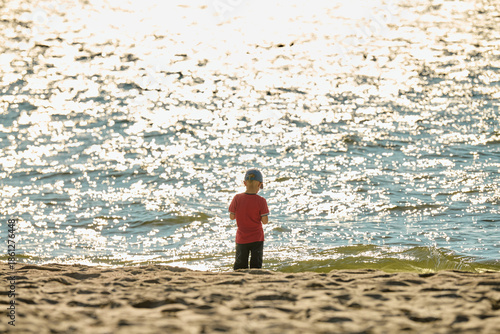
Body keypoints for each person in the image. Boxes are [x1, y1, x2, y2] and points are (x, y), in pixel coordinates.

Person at [229, 169, 269, 270]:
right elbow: (265, 221)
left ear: (244, 183)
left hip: (242, 238)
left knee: (240, 266)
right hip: (257, 238)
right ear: (259, 185)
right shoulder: (261, 201)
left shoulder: (237, 198)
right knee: (256, 266)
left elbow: (232, 217)